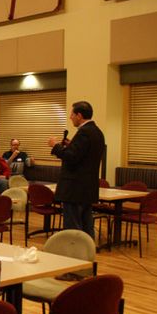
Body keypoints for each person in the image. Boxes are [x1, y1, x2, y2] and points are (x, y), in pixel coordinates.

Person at [49, 101, 105, 238]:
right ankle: (87, 253)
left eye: (72, 114)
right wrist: (70, 145)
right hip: (87, 188)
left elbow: (72, 157)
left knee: (73, 227)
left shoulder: (84, 132)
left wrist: (55, 146)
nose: (70, 117)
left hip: (74, 189)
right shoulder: (97, 132)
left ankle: (74, 256)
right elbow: (84, 155)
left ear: (79, 115)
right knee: (87, 226)